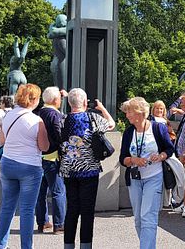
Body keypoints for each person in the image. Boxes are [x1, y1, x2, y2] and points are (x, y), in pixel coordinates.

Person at [60, 88, 115, 249]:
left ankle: (68, 245)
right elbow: (111, 124)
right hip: (89, 170)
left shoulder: (62, 120)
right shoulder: (93, 118)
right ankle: (86, 246)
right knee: (87, 211)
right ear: (85, 102)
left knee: (71, 210)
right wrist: (102, 108)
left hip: (68, 170)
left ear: (69, 103)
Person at [0, 84, 49, 249]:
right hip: (29, 167)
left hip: (8, 163)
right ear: (33, 99)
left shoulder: (7, 116)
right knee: (27, 210)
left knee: (7, 207)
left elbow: (3, 141)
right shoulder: (36, 120)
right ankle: (26, 246)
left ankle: (1, 245)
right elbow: (44, 146)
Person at [120, 97, 174, 249]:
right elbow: (122, 158)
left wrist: (161, 156)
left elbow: (169, 149)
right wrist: (132, 160)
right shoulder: (129, 132)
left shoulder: (158, 128)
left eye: (129, 112)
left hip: (153, 177)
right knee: (138, 218)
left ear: (139, 113)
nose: (127, 115)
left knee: (148, 217)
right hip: (134, 179)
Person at [35, 87, 67, 234]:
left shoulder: (38, 112)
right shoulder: (55, 115)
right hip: (52, 157)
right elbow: (59, 132)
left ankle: (42, 223)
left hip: (38, 157)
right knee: (58, 191)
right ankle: (59, 224)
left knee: (40, 193)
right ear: (55, 100)